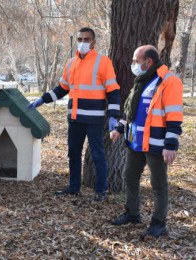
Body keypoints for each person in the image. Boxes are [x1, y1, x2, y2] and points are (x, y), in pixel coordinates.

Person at [28, 27, 120, 202]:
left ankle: (101, 191)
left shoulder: (103, 62)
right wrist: (42, 99)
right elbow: (62, 88)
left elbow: (113, 90)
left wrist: (114, 115)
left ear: (93, 42)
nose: (82, 43)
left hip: (94, 119)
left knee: (98, 155)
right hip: (75, 118)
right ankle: (74, 187)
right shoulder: (71, 63)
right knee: (73, 153)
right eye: (80, 39)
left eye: (86, 39)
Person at [110, 45, 183, 239]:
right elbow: (131, 111)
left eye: (136, 60)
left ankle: (159, 224)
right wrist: (119, 128)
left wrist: (170, 145)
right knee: (130, 177)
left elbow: (174, 116)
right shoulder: (141, 81)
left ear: (148, 61)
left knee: (158, 184)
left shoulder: (169, 81)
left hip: (157, 144)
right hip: (136, 142)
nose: (133, 64)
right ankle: (132, 213)